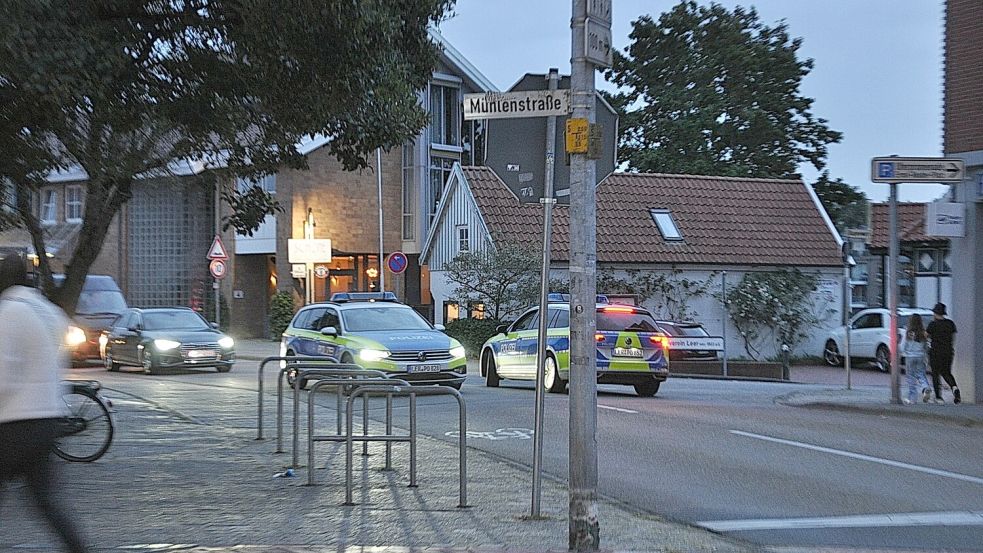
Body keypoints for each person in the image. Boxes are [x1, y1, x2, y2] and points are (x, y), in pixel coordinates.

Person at [0, 254, 90, 552]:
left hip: (13, 424)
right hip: (46, 420)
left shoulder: (9, 312)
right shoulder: (48, 311)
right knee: (47, 503)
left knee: (44, 501)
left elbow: (4, 376)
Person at [926, 302, 960, 405]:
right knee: (946, 372)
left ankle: (938, 397)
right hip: (948, 352)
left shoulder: (932, 325)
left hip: (935, 352)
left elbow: (926, 335)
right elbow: (953, 338)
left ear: (936, 313)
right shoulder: (950, 324)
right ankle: (954, 387)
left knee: (935, 374)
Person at [900, 314, 931, 404]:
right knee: (921, 374)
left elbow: (903, 346)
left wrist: (903, 353)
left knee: (910, 377)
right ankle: (925, 387)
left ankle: (912, 398)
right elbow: (926, 346)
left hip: (910, 357)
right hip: (921, 356)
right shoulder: (923, 333)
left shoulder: (908, 332)